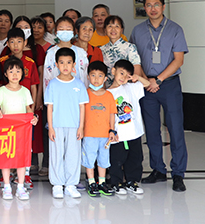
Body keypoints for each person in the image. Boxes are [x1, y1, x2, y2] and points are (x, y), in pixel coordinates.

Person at [129, 0, 188, 192]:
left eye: (156, 4)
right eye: (148, 5)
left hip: (169, 84)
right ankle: (158, 170)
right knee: (151, 129)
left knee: (175, 129)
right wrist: (147, 81)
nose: (152, 8)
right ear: (144, 8)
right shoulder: (137, 31)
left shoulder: (175, 29)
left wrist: (159, 80)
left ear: (163, 7)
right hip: (146, 86)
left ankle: (178, 173)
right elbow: (135, 60)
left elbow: (179, 60)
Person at [45, 47, 88, 199]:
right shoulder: (52, 84)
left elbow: (82, 107)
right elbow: (50, 107)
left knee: (73, 155)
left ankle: (71, 185)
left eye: (69, 62)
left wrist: (81, 127)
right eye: (62, 62)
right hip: (56, 125)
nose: (65, 66)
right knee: (56, 154)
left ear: (74, 65)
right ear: (56, 64)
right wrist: (50, 127)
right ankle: (57, 184)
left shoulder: (79, 84)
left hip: (74, 126)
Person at [0, 57, 38, 201]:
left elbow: (28, 109)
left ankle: (20, 186)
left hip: (21, 131)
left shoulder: (25, 91)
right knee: (6, 158)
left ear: (23, 73)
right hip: (6, 131)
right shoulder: (2, 90)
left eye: (18, 71)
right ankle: (7, 186)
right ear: (5, 74)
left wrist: (34, 117)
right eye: (11, 71)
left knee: (21, 159)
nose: (14, 74)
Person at [108, 59, 150, 195]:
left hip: (134, 132)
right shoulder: (107, 93)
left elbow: (147, 84)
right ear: (113, 71)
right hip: (118, 134)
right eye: (121, 73)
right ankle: (116, 182)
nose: (123, 78)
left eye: (127, 76)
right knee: (116, 159)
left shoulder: (132, 87)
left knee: (135, 159)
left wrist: (137, 77)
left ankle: (132, 181)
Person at [82, 61, 118, 197]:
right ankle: (92, 182)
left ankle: (102, 183)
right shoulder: (85, 94)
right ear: (88, 77)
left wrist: (112, 130)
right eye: (93, 75)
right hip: (89, 134)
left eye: (100, 76)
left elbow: (112, 114)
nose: (96, 79)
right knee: (89, 159)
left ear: (105, 78)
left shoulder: (109, 95)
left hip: (104, 135)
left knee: (103, 159)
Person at [43, 16, 89, 89]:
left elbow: (86, 76)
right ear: (56, 31)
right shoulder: (51, 53)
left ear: (74, 32)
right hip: (57, 91)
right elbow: (47, 77)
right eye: (61, 29)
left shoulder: (81, 52)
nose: (65, 32)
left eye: (68, 29)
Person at [100, 15, 144, 87]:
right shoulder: (101, 49)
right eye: (110, 26)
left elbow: (137, 71)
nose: (113, 29)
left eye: (117, 26)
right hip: (107, 89)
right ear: (105, 30)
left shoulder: (130, 47)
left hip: (125, 88)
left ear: (121, 30)